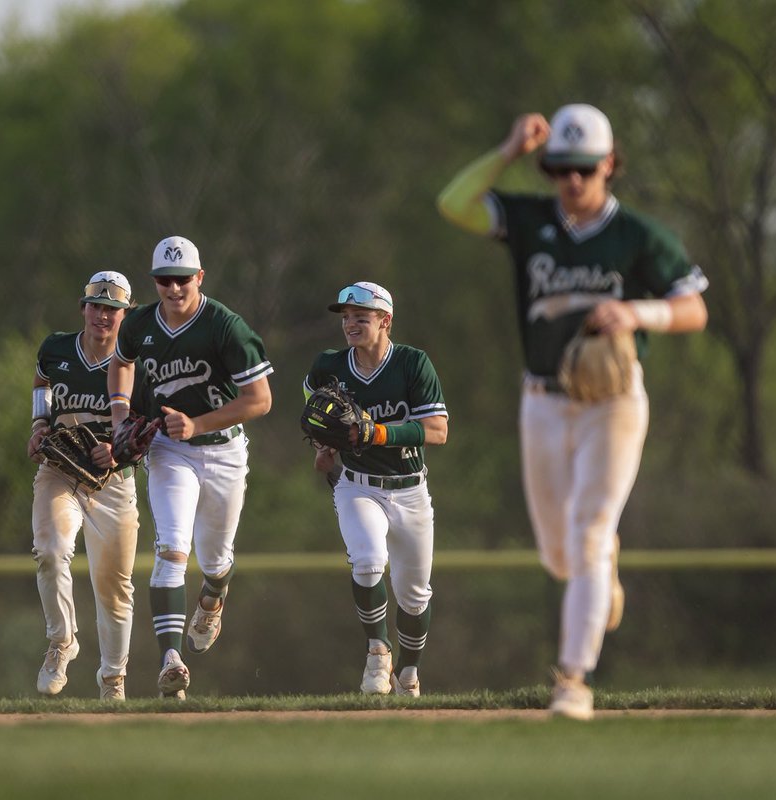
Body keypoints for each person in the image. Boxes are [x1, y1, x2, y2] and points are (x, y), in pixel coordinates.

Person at [437, 103, 709, 720]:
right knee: (561, 556)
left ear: (610, 165)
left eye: (585, 168)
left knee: (588, 532)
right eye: (560, 167)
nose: (572, 180)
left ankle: (573, 680)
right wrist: (508, 152)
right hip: (542, 401)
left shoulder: (638, 236)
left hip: (612, 405)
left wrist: (638, 313)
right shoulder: (530, 221)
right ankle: (601, 575)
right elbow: (452, 204)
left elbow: (693, 308)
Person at [108, 235, 273, 700]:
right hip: (169, 450)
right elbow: (121, 362)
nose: (173, 288)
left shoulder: (225, 327)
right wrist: (121, 414)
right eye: (164, 279)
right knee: (172, 548)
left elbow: (260, 400)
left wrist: (197, 422)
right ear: (154, 281)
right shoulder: (139, 322)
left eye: (183, 279)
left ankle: (213, 597)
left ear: (199, 278)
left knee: (217, 560)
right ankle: (171, 662)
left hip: (222, 449)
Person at [304, 281, 448, 697]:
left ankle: (407, 671)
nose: (350, 323)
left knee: (415, 596)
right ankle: (377, 649)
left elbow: (438, 431)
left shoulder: (412, 363)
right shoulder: (329, 365)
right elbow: (313, 410)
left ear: (385, 321)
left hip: (410, 489)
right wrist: (324, 443)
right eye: (346, 316)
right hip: (358, 485)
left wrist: (379, 432)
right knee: (367, 562)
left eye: (360, 317)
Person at [28, 270, 141, 701]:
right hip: (61, 470)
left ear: (125, 315)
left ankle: (113, 679)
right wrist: (39, 423)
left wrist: (120, 449)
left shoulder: (136, 363)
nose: (103, 315)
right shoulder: (57, 348)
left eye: (112, 309)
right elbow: (43, 383)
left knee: (113, 587)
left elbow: (148, 425)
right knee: (51, 550)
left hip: (114, 482)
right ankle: (62, 641)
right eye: (96, 305)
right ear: (83, 308)